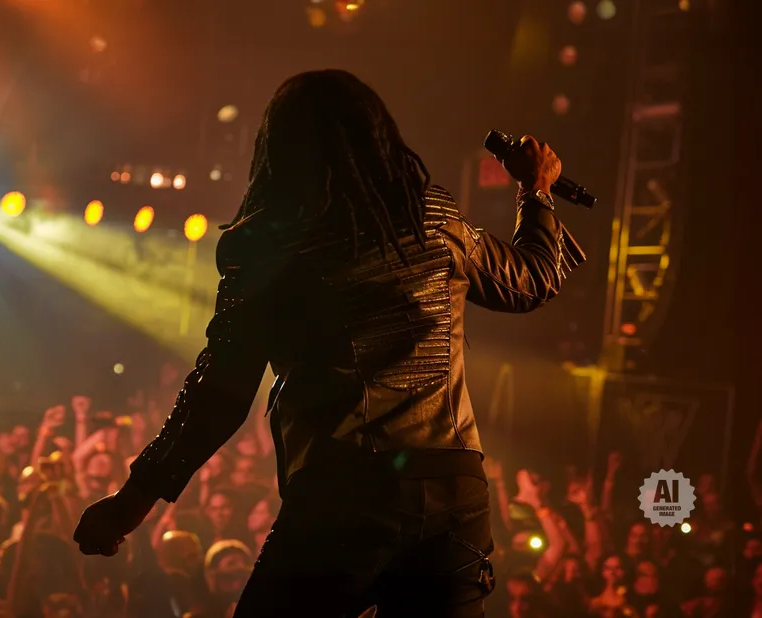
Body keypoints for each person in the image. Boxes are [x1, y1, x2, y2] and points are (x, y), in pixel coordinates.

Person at [73, 69, 584, 617]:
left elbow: (219, 393)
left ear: (278, 149)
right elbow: (532, 280)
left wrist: (133, 502)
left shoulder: (264, 245)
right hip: (451, 495)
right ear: (381, 137)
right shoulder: (433, 219)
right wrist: (536, 192)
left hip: (341, 493)